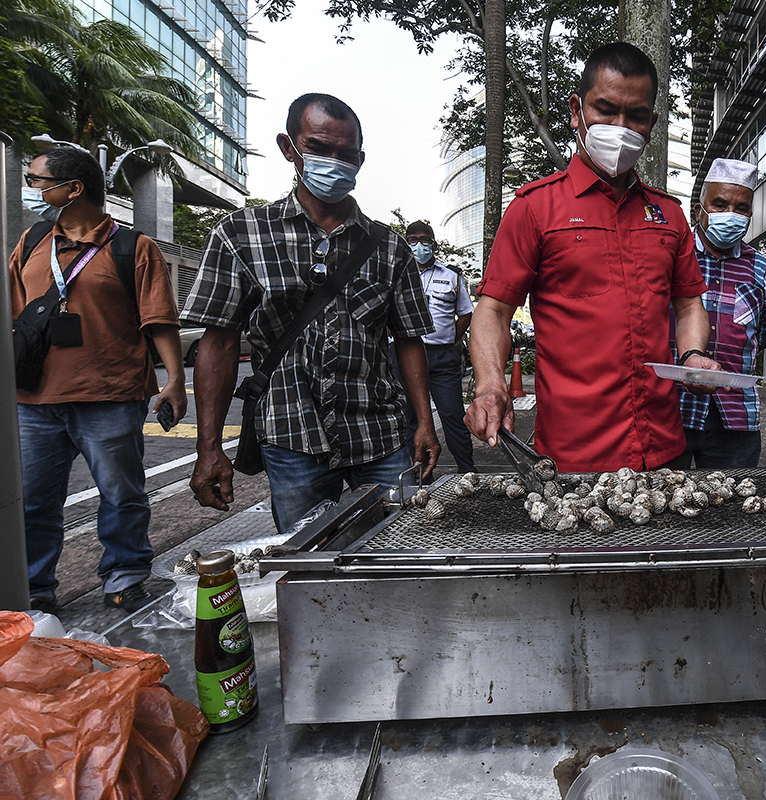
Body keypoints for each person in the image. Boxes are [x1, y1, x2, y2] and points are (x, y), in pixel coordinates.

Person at [182, 93, 439, 535]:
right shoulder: (240, 234)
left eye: (346, 154)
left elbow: (409, 339)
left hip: (378, 433)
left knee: (394, 553)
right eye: (319, 149)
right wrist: (209, 447)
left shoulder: (389, 247)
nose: (334, 162)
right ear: (290, 147)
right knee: (309, 560)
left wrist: (425, 424)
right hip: (290, 433)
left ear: (360, 160)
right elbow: (219, 344)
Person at [464, 42, 718, 473]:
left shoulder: (670, 215)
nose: (621, 127)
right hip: (573, 455)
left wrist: (692, 355)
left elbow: (690, 303)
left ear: (652, 123)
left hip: (662, 447)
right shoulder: (534, 207)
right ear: (576, 111)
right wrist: (491, 384)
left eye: (636, 116)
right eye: (605, 109)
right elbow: (493, 310)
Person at [10, 146, 186, 611]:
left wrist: (174, 381)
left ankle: (124, 577)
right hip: (34, 400)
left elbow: (160, 321)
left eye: (37, 180)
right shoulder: (30, 244)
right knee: (32, 504)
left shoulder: (133, 247)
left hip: (110, 395)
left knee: (122, 495)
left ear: (73, 188)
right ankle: (35, 590)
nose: (32, 189)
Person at [670, 158, 766, 468]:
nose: (729, 214)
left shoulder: (762, 269)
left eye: (741, 207)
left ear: (749, 215)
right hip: (669, 411)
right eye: (719, 204)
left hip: (735, 417)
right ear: (699, 210)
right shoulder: (671, 257)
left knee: (733, 509)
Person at [404, 220, 476, 473]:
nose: (419, 245)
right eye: (413, 240)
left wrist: (449, 340)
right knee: (409, 418)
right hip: (404, 357)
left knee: (453, 415)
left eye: (424, 240)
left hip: (441, 357)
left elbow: (465, 314)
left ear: (433, 244)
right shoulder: (399, 275)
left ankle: (467, 471)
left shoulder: (452, 277)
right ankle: (420, 474)